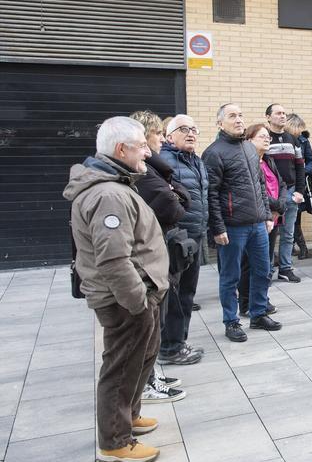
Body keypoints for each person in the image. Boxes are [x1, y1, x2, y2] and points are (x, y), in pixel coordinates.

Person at [64, 116, 170, 462]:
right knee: (122, 366)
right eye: (142, 145)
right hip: (125, 300)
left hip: (139, 295)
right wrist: (137, 302)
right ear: (121, 149)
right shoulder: (108, 194)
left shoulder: (116, 183)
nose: (148, 151)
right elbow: (113, 259)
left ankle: (129, 417)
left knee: (140, 360)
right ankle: (114, 442)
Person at [203, 103, 282, 342]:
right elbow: (212, 194)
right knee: (231, 276)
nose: (238, 120)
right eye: (232, 116)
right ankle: (231, 321)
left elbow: (259, 186)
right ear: (220, 123)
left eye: (240, 115)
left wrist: (267, 215)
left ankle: (258, 314)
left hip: (258, 223)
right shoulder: (213, 153)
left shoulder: (249, 148)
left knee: (262, 270)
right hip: (232, 226)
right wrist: (217, 228)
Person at [129, 111, 192, 404]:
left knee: (157, 318)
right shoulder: (143, 171)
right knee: (149, 323)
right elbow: (172, 205)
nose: (158, 140)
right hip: (151, 254)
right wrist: (174, 193)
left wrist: (175, 192)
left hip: (160, 249)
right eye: (155, 135)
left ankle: (151, 374)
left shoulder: (152, 168)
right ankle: (146, 382)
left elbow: (181, 195)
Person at [160, 115, 210, 367]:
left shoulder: (196, 161)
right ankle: (170, 347)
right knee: (176, 296)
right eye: (183, 129)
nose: (191, 133)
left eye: (193, 129)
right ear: (169, 137)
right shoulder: (165, 162)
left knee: (188, 294)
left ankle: (179, 342)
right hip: (177, 239)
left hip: (195, 236)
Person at [237, 124, 287, 316]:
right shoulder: (246, 162)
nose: (267, 139)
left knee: (265, 263)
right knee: (250, 264)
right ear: (249, 140)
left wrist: (281, 204)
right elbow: (257, 192)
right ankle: (247, 303)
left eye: (268, 137)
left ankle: (261, 299)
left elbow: (281, 183)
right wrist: (275, 206)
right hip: (257, 218)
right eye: (262, 137)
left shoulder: (268, 160)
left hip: (274, 218)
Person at [265, 104, 305, 282]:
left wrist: (299, 191)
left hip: (290, 192)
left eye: (284, 113)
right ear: (268, 117)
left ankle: (285, 268)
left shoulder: (292, 139)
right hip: (271, 194)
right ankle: (266, 272)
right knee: (268, 234)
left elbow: (299, 166)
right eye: (278, 113)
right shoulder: (264, 137)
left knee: (288, 234)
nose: (282, 116)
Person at [286, 113, 312, 259]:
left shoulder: (303, 141)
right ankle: (290, 247)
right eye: (297, 129)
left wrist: (303, 171)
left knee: (296, 216)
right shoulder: (282, 141)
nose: (299, 132)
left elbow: (311, 160)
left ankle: (302, 247)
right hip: (284, 184)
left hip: (300, 183)